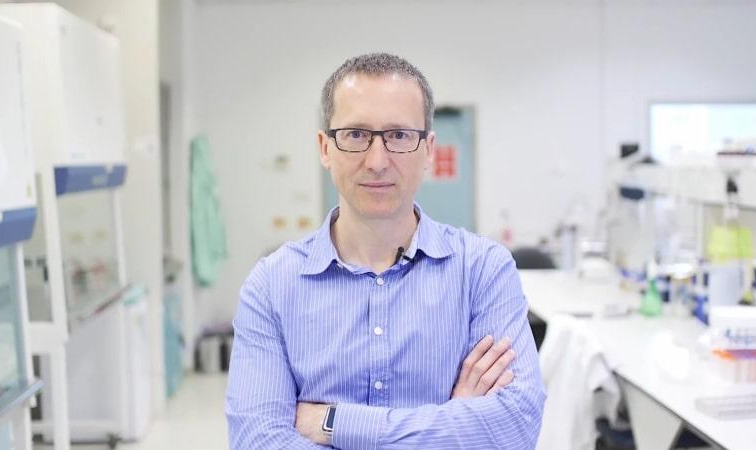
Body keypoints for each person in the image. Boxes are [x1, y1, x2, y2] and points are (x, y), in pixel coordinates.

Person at [225, 53, 545, 449]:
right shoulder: (271, 285)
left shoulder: (483, 271)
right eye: (356, 134)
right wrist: (453, 424)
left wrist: (333, 423)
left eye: (398, 136)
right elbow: (257, 441)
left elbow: (514, 427)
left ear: (428, 149)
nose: (377, 161)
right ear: (325, 148)